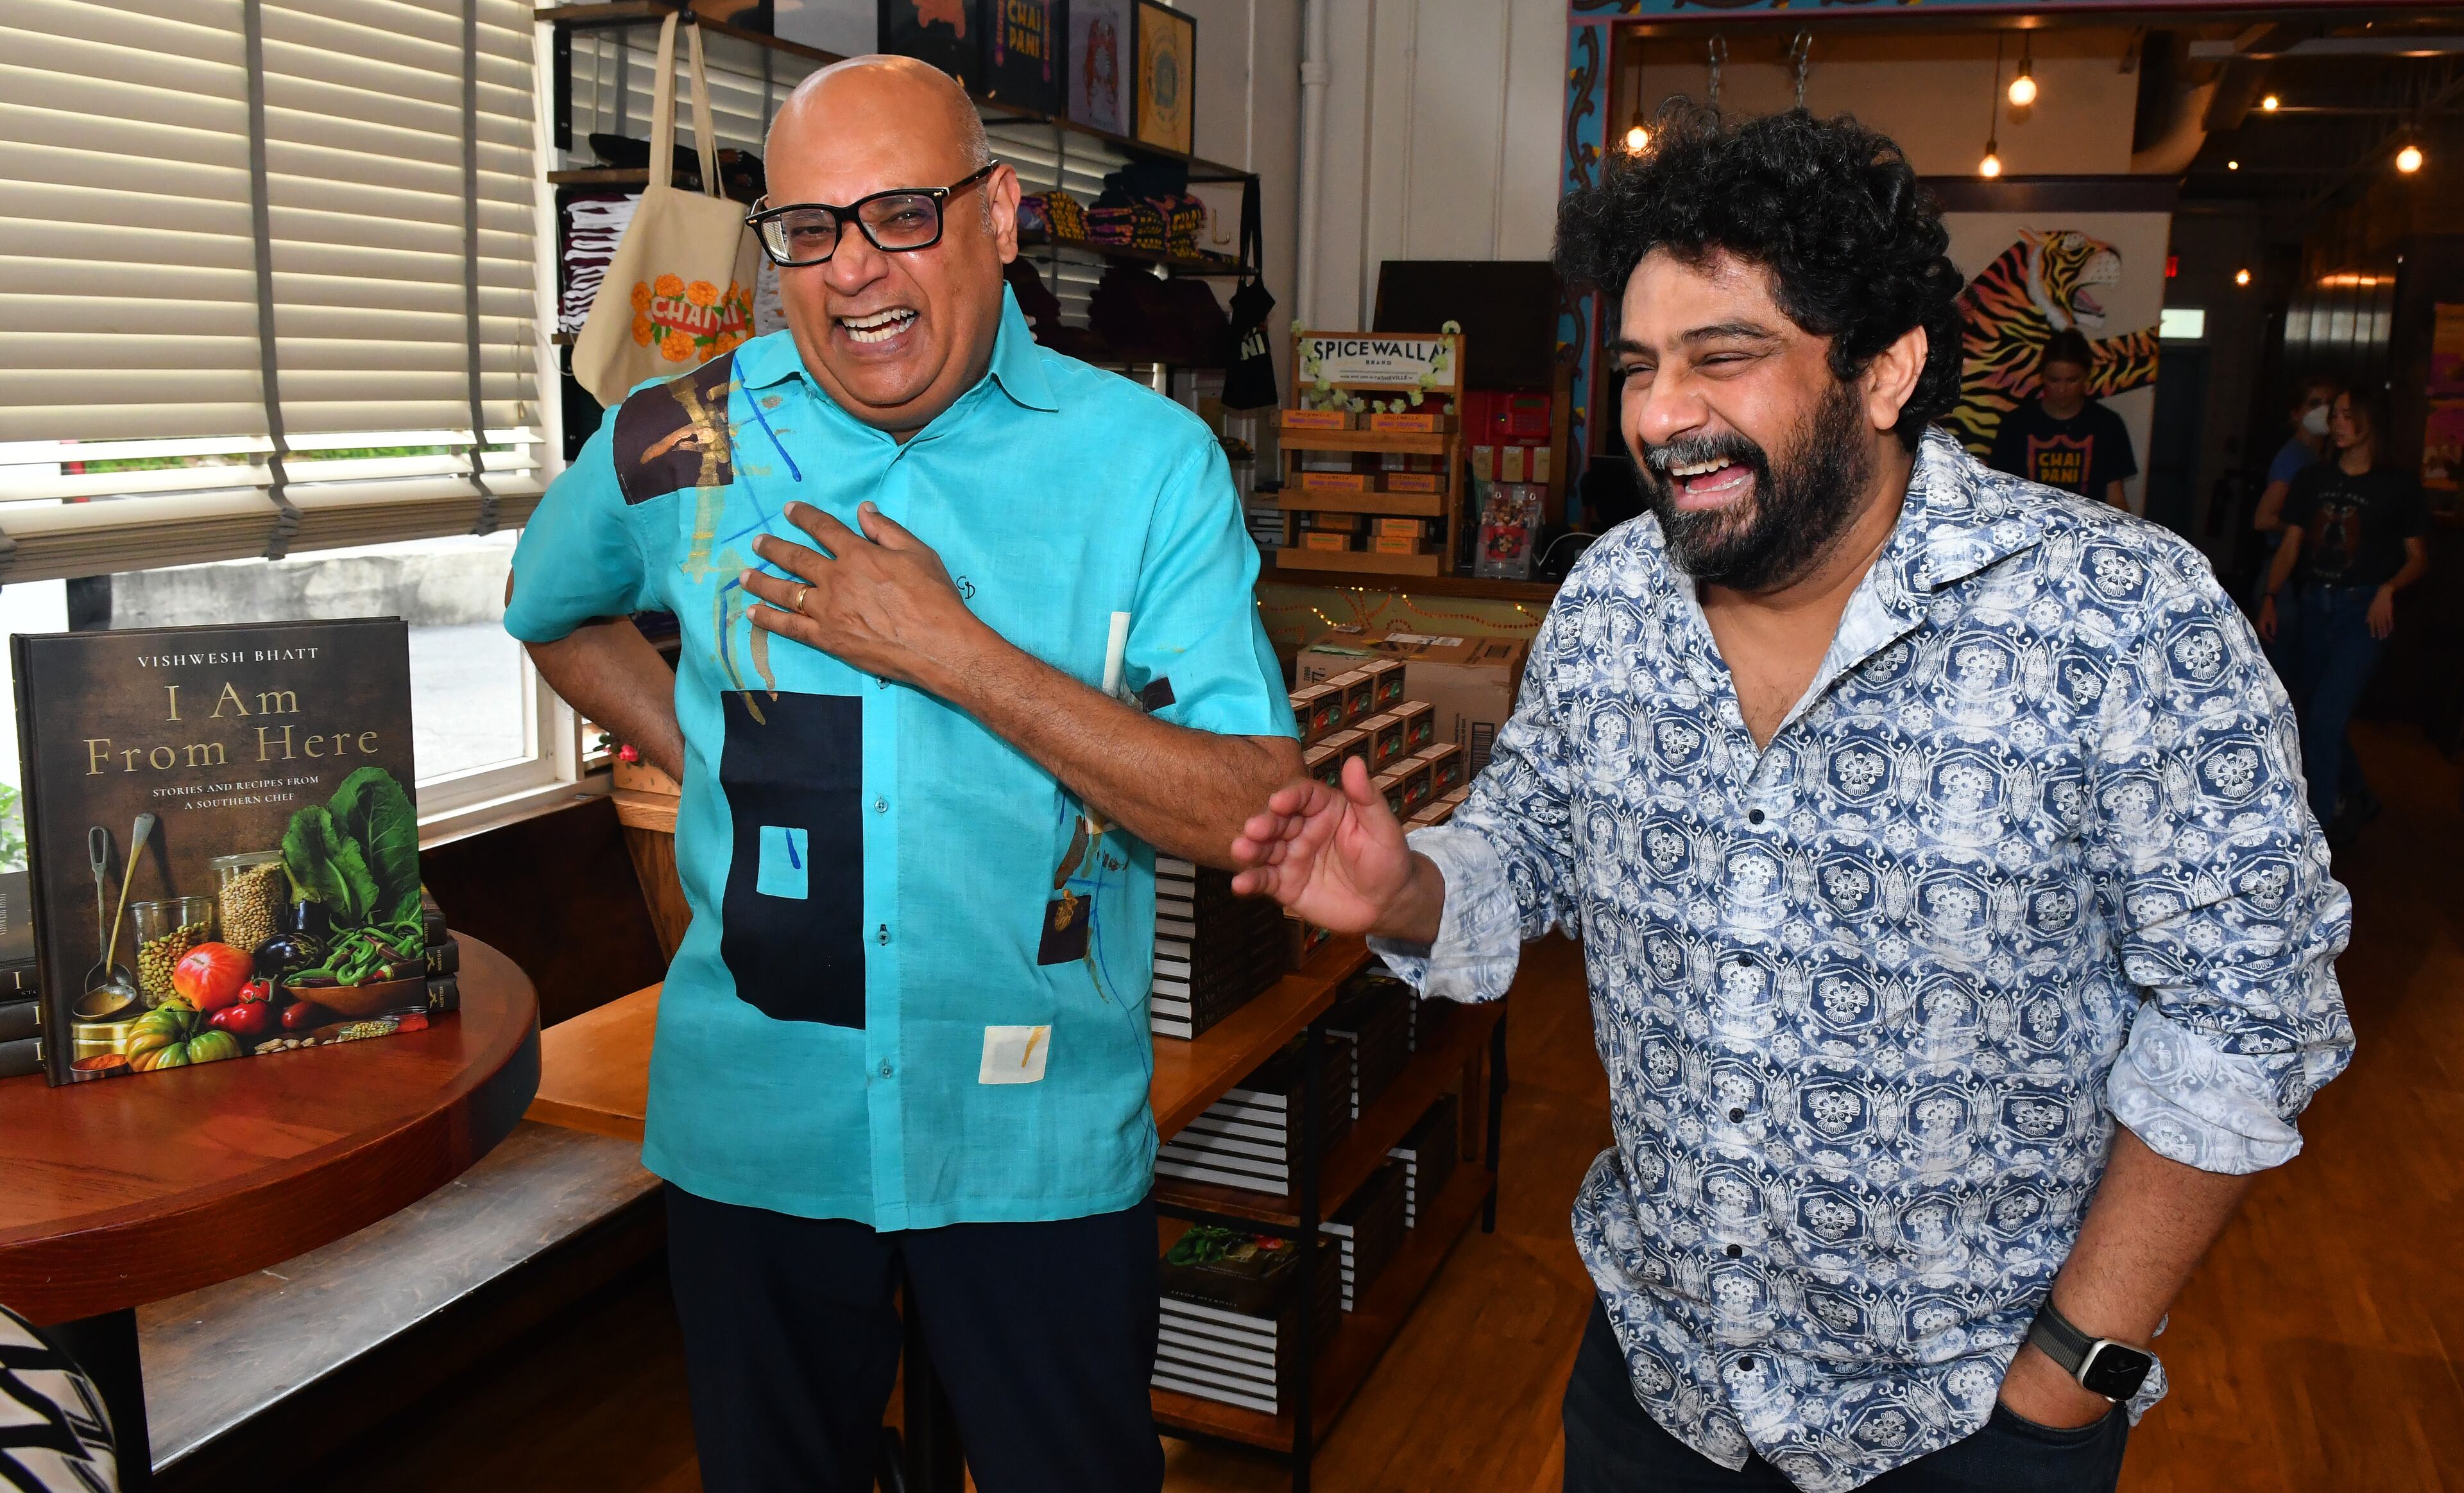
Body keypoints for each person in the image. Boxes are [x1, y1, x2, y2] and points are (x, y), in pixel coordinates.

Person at [1232, 107, 2354, 1493]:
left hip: (1969, 1420)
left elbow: (2246, 1009)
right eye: (1641, 365)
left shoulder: (2119, 618)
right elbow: (1527, 848)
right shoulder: (1612, 601)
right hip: (1661, 1384)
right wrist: (1403, 884)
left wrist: (2078, 1365)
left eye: (1725, 356)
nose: (1658, 414)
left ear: (1885, 371)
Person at [504, 56, 1297, 1493]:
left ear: (998, 214)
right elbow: (549, 605)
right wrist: (707, 755)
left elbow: (1250, 804)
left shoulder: (1148, 465)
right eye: (809, 229)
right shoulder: (687, 434)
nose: (853, 270)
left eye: (900, 215)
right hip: (761, 1123)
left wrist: (951, 648)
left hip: (1036, 1136)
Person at [2257, 387, 2431, 844]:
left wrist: (2389, 589)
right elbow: (2292, 544)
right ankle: (2357, 792)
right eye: (2334, 415)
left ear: (2371, 421)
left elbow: (2418, 556)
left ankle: (2315, 835)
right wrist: (2271, 596)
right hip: (2314, 604)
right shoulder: (2313, 478)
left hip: (2363, 611)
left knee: (2325, 719)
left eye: (2348, 415)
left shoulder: (2398, 485)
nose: (2337, 423)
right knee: (2315, 711)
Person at [1987, 327, 2138, 509]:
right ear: (2042, 377)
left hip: (2089, 530)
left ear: (2086, 376)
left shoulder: (2108, 425)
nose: (2062, 389)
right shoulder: (2016, 425)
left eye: (2072, 380)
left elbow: (2116, 498)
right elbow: (2001, 493)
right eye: (2054, 380)